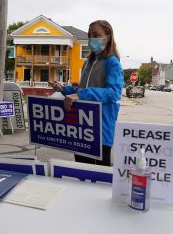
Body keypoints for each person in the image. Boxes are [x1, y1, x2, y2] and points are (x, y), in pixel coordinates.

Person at [53, 20, 124, 166]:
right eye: (89, 35)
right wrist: (64, 89)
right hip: (81, 128)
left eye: (96, 35)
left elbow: (113, 93)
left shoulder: (112, 62)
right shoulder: (88, 62)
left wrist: (80, 95)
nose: (92, 39)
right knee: (82, 172)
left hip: (101, 130)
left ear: (108, 36)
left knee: (98, 180)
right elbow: (82, 88)